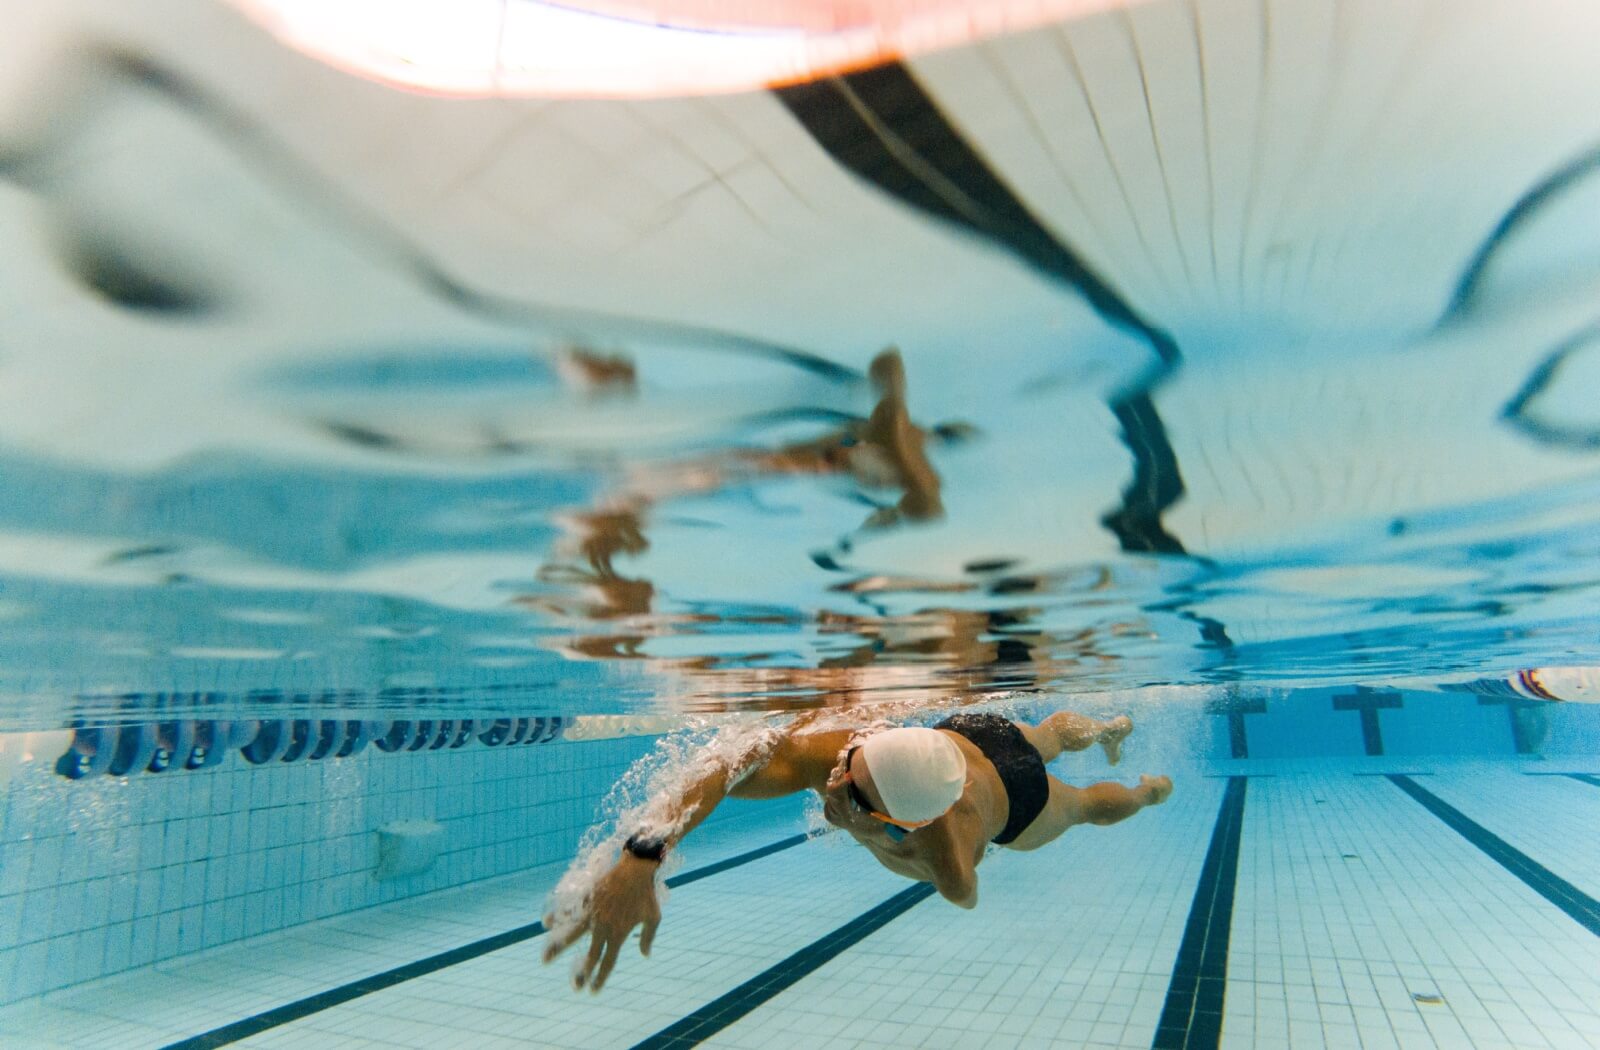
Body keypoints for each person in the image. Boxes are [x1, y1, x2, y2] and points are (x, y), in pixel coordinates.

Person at [542, 708, 1172, 992]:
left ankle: (1143, 791)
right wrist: (641, 856)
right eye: (846, 768)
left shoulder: (948, 846)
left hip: (1018, 797)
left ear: (899, 821)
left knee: (1085, 805)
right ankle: (1105, 727)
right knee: (1047, 731)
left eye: (853, 795)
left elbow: (965, 893)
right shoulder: (854, 753)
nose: (835, 784)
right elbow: (726, 763)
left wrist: (878, 838)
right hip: (976, 735)